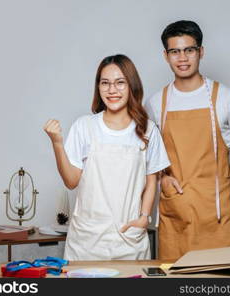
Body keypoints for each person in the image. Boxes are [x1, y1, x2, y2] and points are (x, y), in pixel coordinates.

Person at [145, 20, 230, 260]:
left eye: (189, 50)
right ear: (165, 55)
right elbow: (146, 159)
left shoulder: (227, 98)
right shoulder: (154, 103)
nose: (182, 58)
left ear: (201, 52)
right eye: (175, 51)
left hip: (217, 218)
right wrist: (163, 179)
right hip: (176, 218)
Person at [44, 54, 170, 260]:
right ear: (98, 87)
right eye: (105, 83)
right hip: (87, 242)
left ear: (132, 86)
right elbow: (71, 181)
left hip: (129, 240)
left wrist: (144, 218)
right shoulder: (84, 126)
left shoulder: (148, 130)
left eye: (120, 83)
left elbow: (152, 179)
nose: (112, 90)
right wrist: (57, 143)